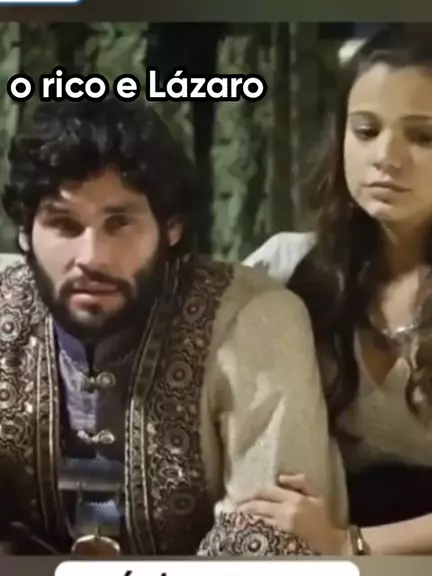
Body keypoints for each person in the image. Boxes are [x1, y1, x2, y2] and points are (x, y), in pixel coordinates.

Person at [0, 96, 346, 555]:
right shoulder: (6, 307)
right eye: (64, 225)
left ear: (172, 227)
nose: (92, 258)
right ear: (26, 233)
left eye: (119, 223)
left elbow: (274, 530)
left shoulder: (254, 317)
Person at [244, 23, 432, 555]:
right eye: (366, 130)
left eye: (424, 137)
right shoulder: (286, 267)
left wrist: (352, 544)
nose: (386, 157)